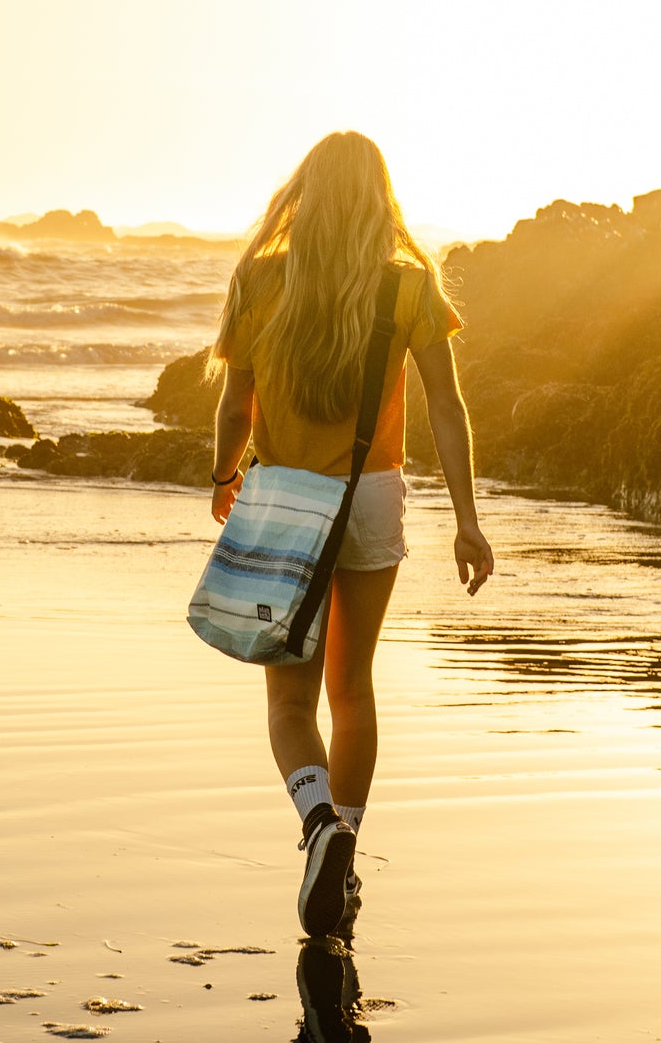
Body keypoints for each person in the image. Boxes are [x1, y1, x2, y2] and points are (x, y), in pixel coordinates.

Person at [208, 131, 494, 936]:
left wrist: (225, 474)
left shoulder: (261, 277)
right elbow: (447, 406)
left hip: (283, 500)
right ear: (379, 197)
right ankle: (346, 850)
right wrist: (467, 522)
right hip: (371, 498)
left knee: (288, 697)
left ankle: (317, 825)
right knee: (353, 688)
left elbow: (236, 404)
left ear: (303, 193)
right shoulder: (409, 286)